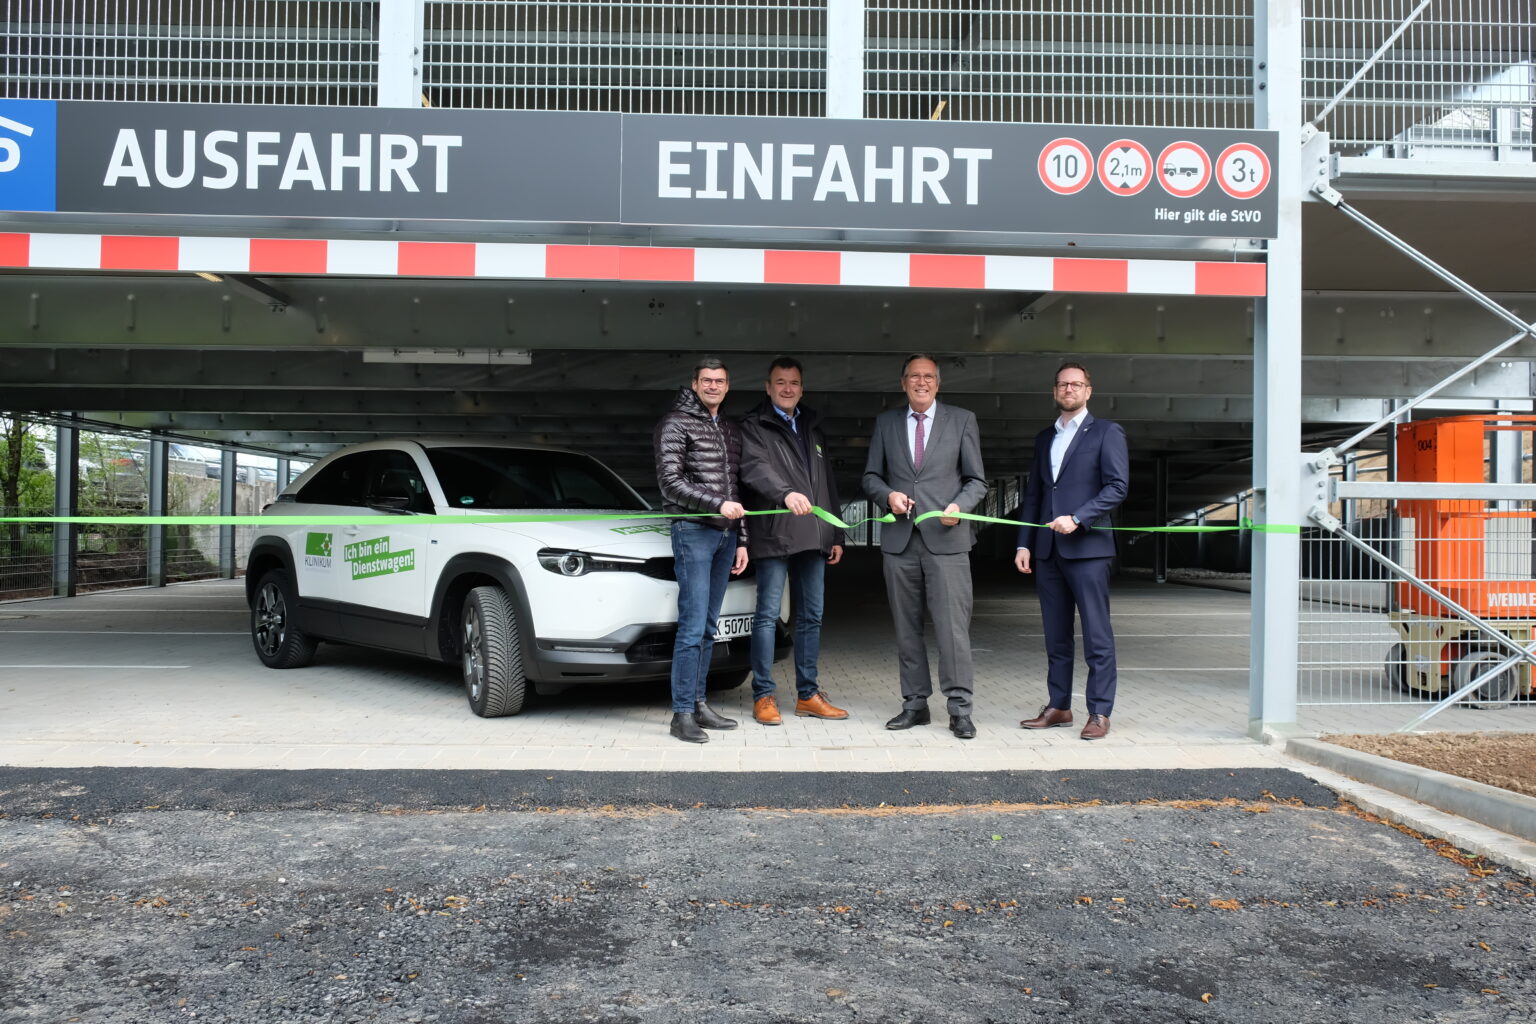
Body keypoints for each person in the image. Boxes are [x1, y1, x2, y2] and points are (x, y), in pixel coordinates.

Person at [862, 354, 988, 739]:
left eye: (928, 377)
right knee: (906, 630)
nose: (921, 382)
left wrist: (959, 508)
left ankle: (960, 709)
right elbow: (870, 476)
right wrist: (888, 497)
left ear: (938, 383)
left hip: (948, 542)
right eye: (914, 377)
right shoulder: (886, 423)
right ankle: (915, 704)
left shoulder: (962, 419)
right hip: (900, 543)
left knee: (952, 630)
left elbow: (977, 481)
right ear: (903, 383)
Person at [1014, 362, 1129, 741]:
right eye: (1063, 384)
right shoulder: (1044, 437)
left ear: (1088, 391)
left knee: (1097, 635)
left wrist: (1079, 518)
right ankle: (1059, 706)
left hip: (1089, 550)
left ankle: (1099, 711)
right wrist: (1023, 543)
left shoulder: (1108, 433)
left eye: (1076, 384)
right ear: (1055, 391)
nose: (1069, 389)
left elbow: (1116, 487)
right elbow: (1034, 495)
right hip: (1048, 551)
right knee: (1055, 636)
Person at [738, 356, 848, 726]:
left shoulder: (813, 428)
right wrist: (785, 493)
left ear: (802, 388)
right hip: (774, 533)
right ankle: (764, 695)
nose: (788, 389)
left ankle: (807, 695)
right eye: (780, 382)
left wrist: (836, 532)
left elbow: (826, 483)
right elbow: (755, 469)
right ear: (768, 388)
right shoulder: (754, 426)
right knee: (768, 616)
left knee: (812, 616)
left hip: (814, 534)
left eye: (794, 383)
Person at [653, 357, 749, 743]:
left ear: (727, 386)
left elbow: (735, 489)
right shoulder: (674, 423)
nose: (713, 386)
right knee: (692, 627)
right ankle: (681, 715)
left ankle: (699, 703)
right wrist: (715, 505)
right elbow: (670, 483)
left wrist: (742, 538)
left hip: (725, 535)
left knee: (709, 626)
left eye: (720, 381)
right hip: (694, 531)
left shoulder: (727, 427)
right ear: (694, 384)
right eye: (707, 380)